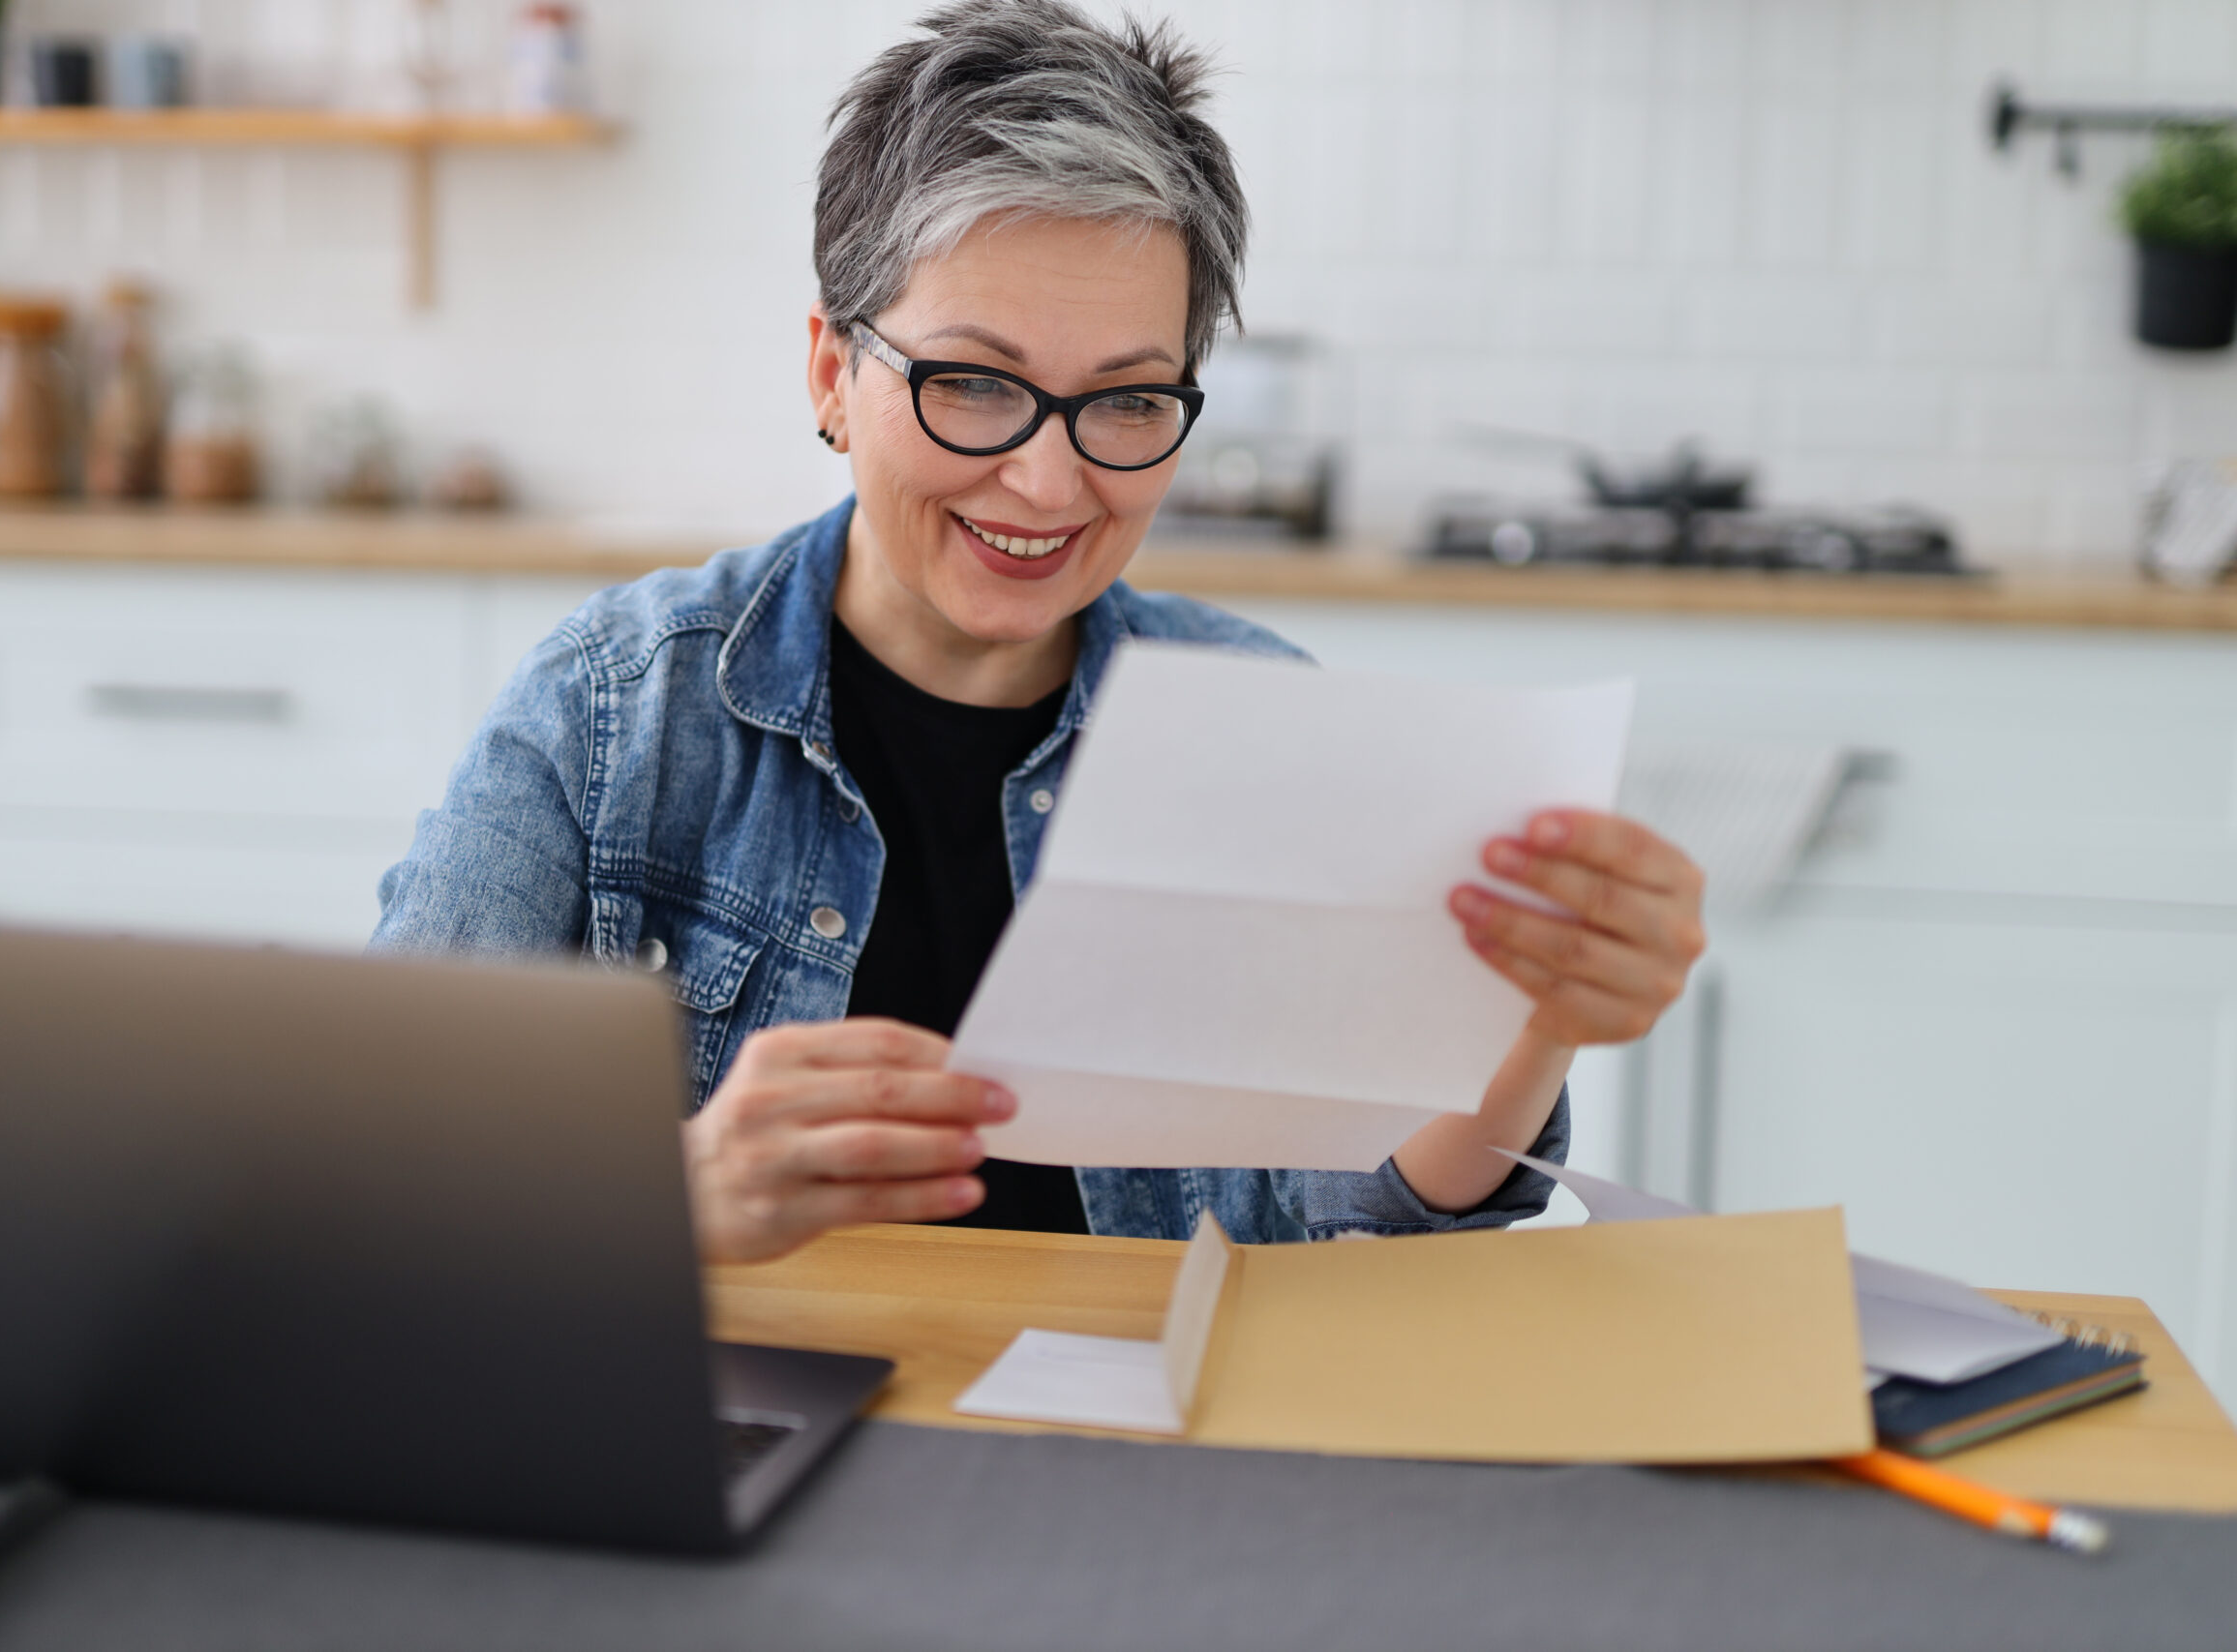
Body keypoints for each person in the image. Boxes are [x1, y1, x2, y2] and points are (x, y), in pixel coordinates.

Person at [374, 0, 1706, 1265]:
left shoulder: (1264, 726)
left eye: (1126, 403)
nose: (1051, 485)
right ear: (835, 373)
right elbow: (373, 1172)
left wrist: (1530, 1029)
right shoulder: (616, 714)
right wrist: (672, 1195)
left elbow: (1361, 1220)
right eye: (973, 384)